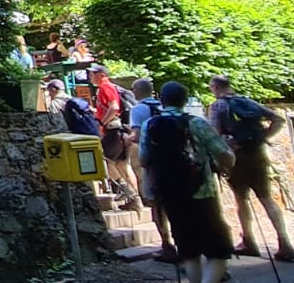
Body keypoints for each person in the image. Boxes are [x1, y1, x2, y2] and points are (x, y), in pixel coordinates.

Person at [142, 82, 235, 283]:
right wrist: (226, 162)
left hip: (170, 195)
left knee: (189, 251)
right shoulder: (196, 123)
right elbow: (225, 155)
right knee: (219, 251)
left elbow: (143, 159)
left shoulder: (149, 125)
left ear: (162, 100)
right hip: (202, 193)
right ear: (185, 101)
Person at [208, 75, 294, 261]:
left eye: (211, 87)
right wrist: (262, 137)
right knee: (267, 198)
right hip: (258, 155)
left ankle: (249, 241)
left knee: (241, 199)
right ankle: (285, 242)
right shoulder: (247, 101)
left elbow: (215, 136)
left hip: (236, 159)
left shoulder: (218, 106)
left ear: (215, 87)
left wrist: (224, 153)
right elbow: (278, 120)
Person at [128, 77, 176, 262]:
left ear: (137, 91)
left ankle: (167, 245)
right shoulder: (165, 106)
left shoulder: (138, 109)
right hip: (176, 161)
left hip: (154, 163)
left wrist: (128, 139)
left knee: (156, 204)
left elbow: (138, 137)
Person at [89, 64, 138, 209]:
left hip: (113, 131)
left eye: (93, 74)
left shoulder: (105, 87)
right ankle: (135, 199)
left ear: (102, 75)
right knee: (123, 164)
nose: (90, 76)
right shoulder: (106, 87)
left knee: (107, 161)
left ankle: (127, 191)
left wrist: (102, 122)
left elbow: (114, 106)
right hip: (119, 131)